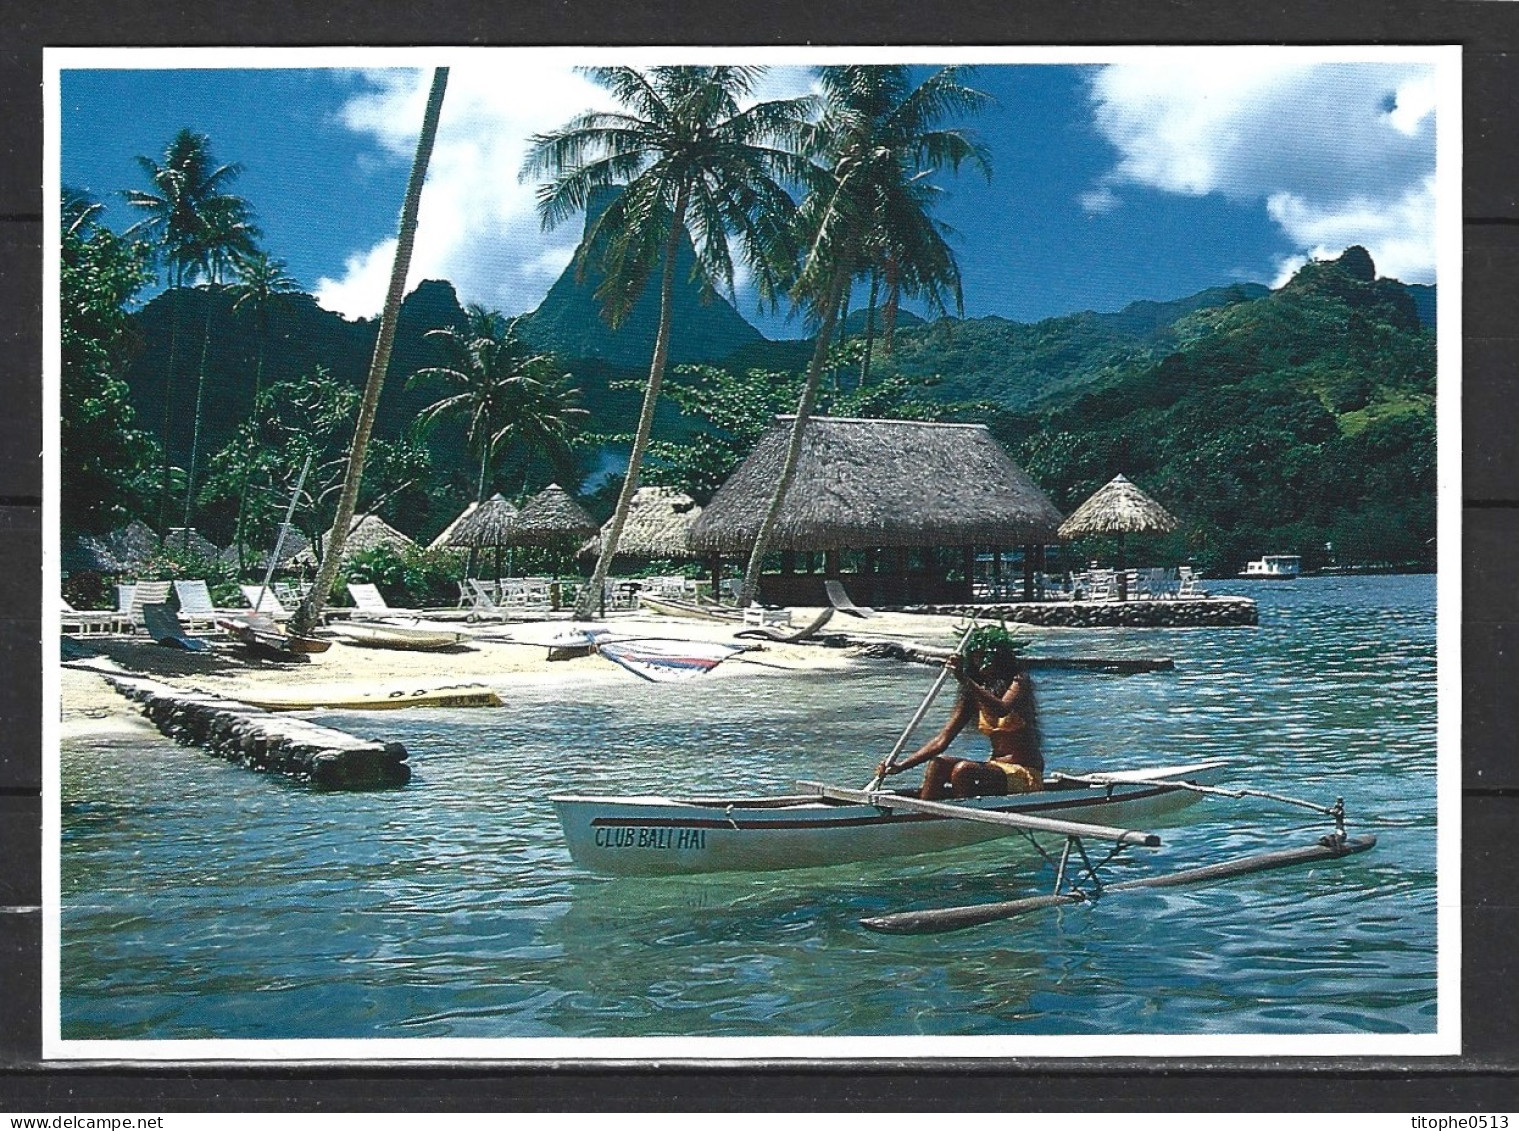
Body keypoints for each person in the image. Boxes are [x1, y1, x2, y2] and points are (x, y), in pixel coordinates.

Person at [875, 625, 1042, 800]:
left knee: (964, 770)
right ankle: (923, 817)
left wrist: (964, 679)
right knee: (938, 764)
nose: (981, 663)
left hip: (1024, 773)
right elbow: (942, 740)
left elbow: (1001, 709)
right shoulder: (974, 695)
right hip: (995, 770)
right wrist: (901, 766)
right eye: (976, 658)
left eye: (986, 657)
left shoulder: (1019, 681)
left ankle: (967, 817)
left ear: (999, 658)